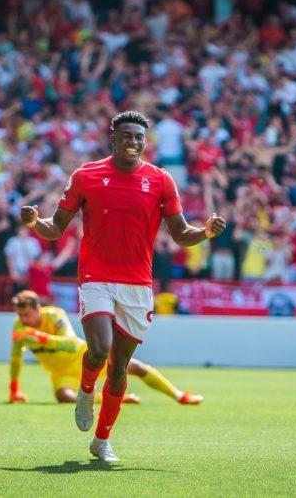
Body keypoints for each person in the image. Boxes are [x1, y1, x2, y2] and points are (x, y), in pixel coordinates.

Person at [20, 111, 226, 461]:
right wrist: (34, 222)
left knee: (118, 368)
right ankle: (86, 390)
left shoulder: (161, 181)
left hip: (137, 285)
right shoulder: (86, 175)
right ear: (113, 139)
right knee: (98, 349)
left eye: (139, 137)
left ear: (145, 142)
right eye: (126, 136)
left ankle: (101, 440)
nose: (133, 142)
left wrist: (205, 233)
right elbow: (56, 227)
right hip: (96, 278)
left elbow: (179, 233)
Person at [8, 290, 202, 406]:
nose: (23, 319)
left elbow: (70, 343)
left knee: (135, 368)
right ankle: (118, 399)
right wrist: (14, 390)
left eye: (26, 314)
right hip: (60, 374)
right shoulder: (20, 328)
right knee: (64, 397)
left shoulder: (54, 315)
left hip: (83, 357)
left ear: (37, 308)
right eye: (20, 315)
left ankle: (180, 396)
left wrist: (41, 338)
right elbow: (16, 359)